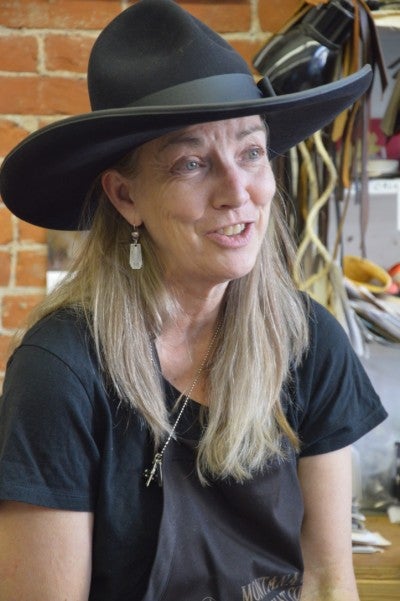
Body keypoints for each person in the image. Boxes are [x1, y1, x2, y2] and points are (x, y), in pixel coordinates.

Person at [0, 1, 387, 600]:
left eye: (252, 152)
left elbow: (330, 580)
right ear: (126, 197)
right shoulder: (62, 373)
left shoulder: (309, 341)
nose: (239, 192)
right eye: (192, 162)